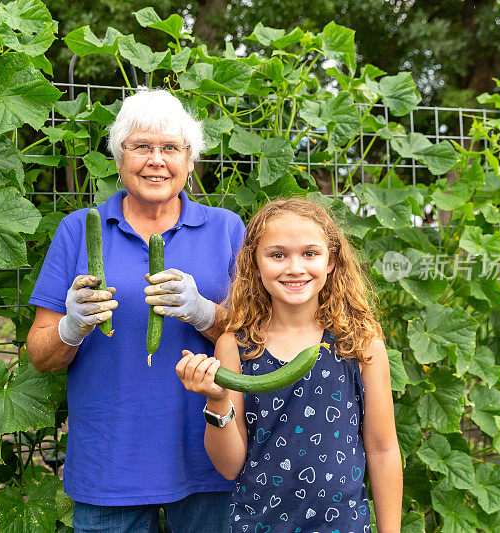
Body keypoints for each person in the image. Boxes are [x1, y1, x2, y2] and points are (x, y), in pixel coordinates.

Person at [27, 89, 245, 532]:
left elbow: (255, 337)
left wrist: (205, 313)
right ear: (119, 156)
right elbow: (39, 354)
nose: (156, 160)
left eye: (170, 148)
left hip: (208, 455)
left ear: (189, 158)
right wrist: (71, 327)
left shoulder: (225, 229)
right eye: (141, 146)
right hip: (111, 464)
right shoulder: (77, 230)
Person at [176, 197, 402, 532]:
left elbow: (383, 450)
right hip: (257, 524)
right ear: (254, 262)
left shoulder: (359, 343)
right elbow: (228, 466)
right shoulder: (236, 346)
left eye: (309, 253)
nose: (294, 267)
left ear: (331, 261)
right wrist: (217, 400)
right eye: (278, 254)